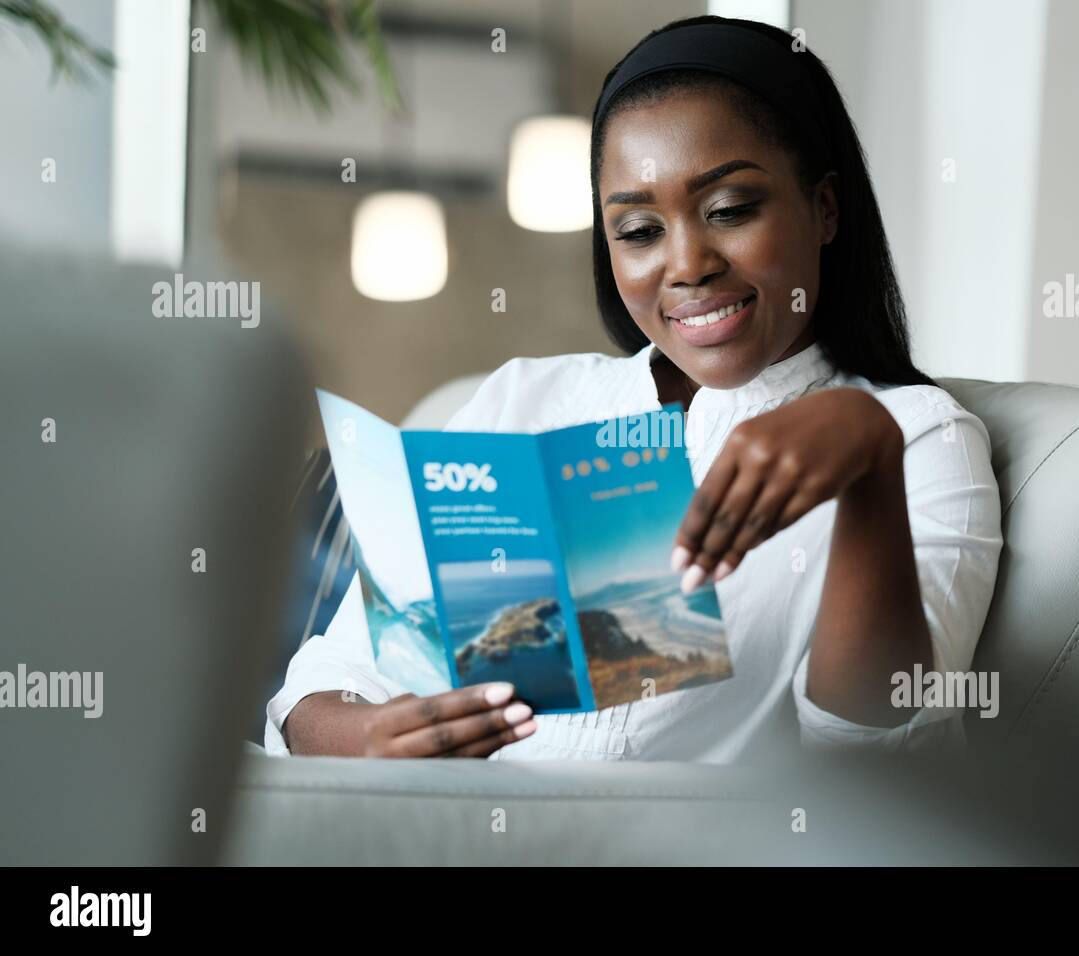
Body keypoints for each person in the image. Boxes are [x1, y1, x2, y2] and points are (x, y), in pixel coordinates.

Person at [267, 15, 1002, 762]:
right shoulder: (525, 401)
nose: (687, 264)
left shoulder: (916, 437)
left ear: (826, 208)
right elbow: (328, 677)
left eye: (730, 210)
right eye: (640, 230)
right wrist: (365, 737)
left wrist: (866, 463)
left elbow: (876, 749)